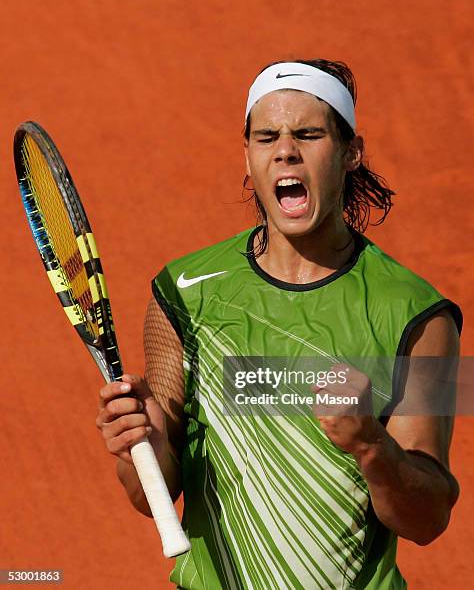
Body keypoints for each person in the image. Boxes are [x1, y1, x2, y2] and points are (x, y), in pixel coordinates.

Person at [96, 59, 462, 589]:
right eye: (267, 137)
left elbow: (430, 520)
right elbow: (151, 491)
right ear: (248, 157)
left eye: (309, 134)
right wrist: (142, 450)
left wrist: (370, 446)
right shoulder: (182, 291)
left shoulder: (419, 314)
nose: (286, 149)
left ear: (351, 153)